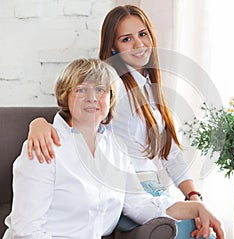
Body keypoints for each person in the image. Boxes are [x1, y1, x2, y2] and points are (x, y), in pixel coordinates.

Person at [27, 5, 221, 239]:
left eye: (142, 34)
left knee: (206, 229)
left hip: (147, 193)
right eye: (126, 39)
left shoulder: (149, 86)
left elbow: (171, 153)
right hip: (128, 193)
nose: (139, 44)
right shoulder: (113, 87)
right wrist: (38, 123)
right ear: (113, 47)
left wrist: (193, 196)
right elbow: (79, 117)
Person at [3, 58, 225, 239]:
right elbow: (27, 232)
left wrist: (197, 208)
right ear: (66, 96)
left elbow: (140, 205)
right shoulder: (43, 146)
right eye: (81, 90)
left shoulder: (115, 149)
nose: (92, 98)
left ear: (111, 99)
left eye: (101, 90)